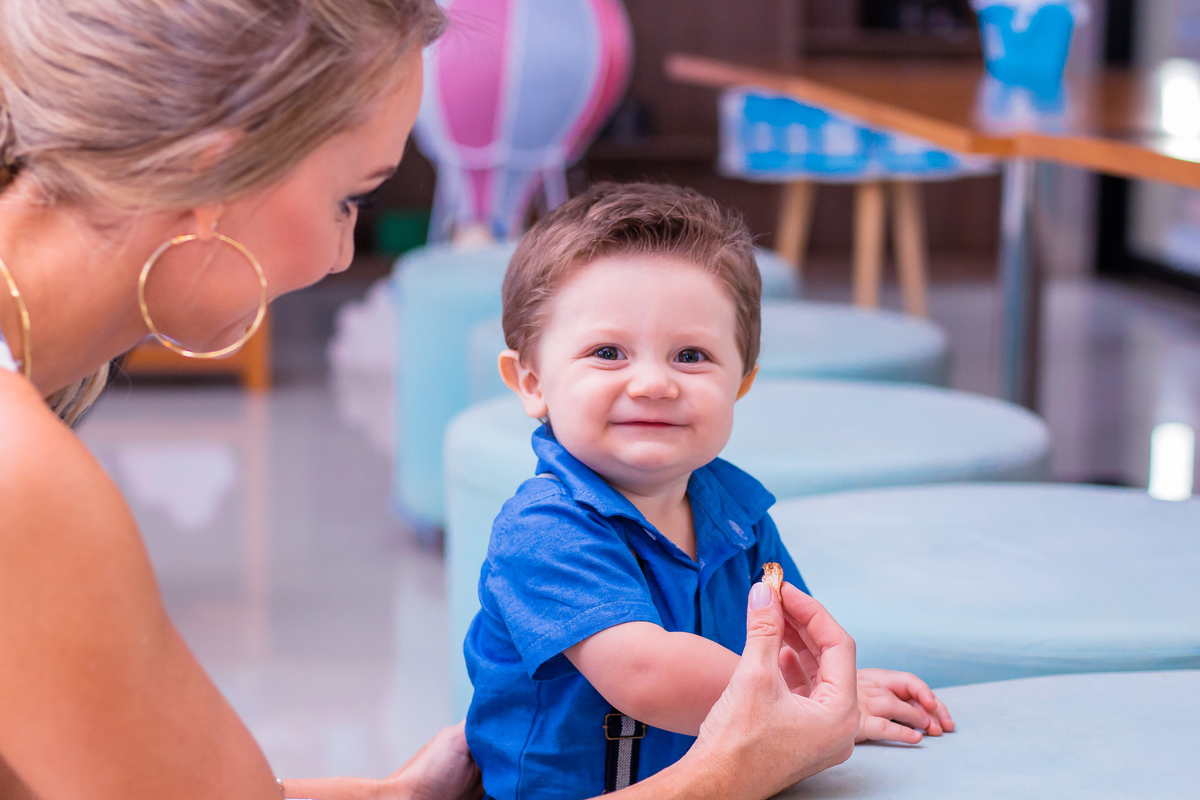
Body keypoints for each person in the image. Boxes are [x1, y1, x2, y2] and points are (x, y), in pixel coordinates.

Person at [0, 2, 863, 799]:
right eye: (352, 199)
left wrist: (389, 796)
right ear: (213, 166)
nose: (342, 256)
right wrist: (728, 772)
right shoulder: (23, 483)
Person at [465, 183, 955, 799]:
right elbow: (646, 672)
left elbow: (786, 647)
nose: (653, 383)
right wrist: (813, 709)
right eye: (608, 352)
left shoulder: (739, 515)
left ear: (740, 383)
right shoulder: (543, 531)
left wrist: (825, 686)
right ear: (532, 382)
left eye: (691, 356)